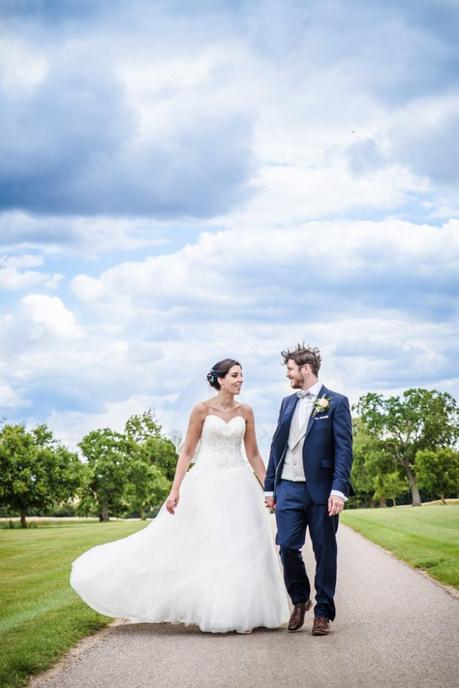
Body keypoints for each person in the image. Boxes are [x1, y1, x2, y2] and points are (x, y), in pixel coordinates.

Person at [71, 359, 289, 634]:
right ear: (220, 379)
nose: (240, 380)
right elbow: (187, 451)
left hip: (239, 482)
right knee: (210, 544)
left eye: (242, 376)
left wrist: (269, 487)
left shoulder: (246, 411)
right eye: (235, 375)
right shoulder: (201, 410)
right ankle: (213, 609)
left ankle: (244, 611)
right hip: (206, 482)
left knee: (242, 545)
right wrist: (175, 490)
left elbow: (254, 453)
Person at [264, 344, 353, 635]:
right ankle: (300, 599)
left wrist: (338, 490)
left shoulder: (336, 402)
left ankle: (324, 612)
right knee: (287, 546)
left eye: (290, 369)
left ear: (305, 369)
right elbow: (277, 447)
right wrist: (270, 487)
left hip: (322, 490)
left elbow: (344, 450)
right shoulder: (287, 403)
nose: (287, 374)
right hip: (288, 486)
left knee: (325, 550)